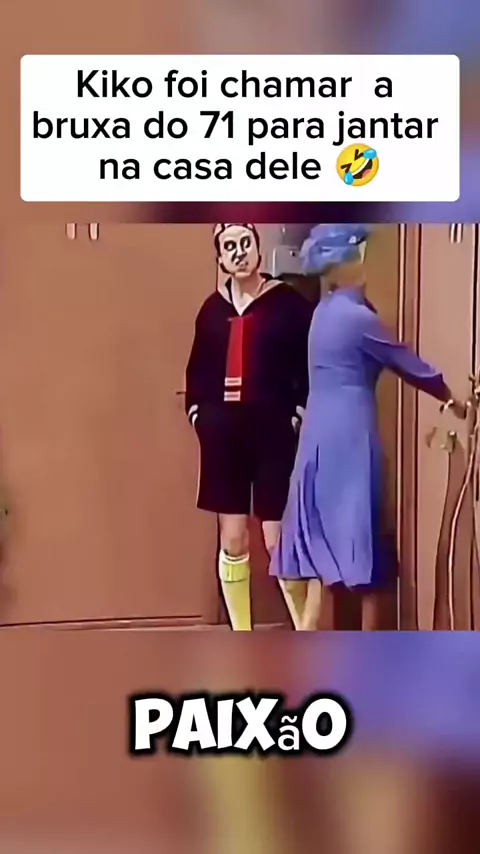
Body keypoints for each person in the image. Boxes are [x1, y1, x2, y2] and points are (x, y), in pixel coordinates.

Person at [270, 224, 466, 631]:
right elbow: (408, 362)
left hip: (318, 430)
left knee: (323, 537)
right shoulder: (356, 318)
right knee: (363, 542)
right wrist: (452, 399)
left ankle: (315, 639)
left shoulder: (324, 313)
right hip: (349, 432)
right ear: (347, 263)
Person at [185, 223, 313, 630]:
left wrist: (298, 411)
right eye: (229, 247)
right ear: (220, 258)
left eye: (245, 243)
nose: (238, 252)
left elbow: (310, 363)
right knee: (233, 538)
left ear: (258, 249)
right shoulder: (212, 310)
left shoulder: (289, 305)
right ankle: (242, 633)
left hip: (274, 435)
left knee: (278, 540)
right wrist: (200, 416)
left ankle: (306, 629)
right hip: (224, 438)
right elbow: (197, 373)